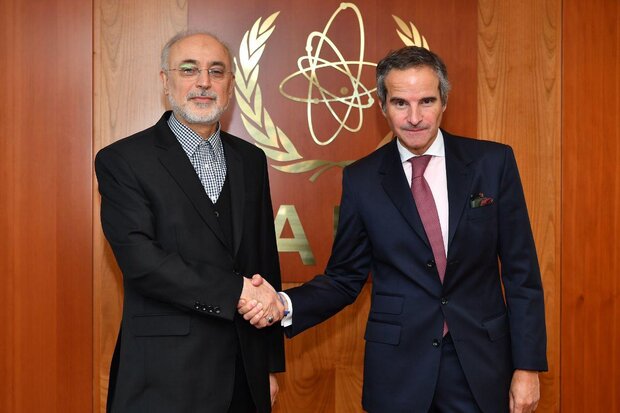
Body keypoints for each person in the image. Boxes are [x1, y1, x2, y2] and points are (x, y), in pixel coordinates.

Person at [239, 46, 547, 413]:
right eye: (401, 103)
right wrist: (284, 304)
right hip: (399, 372)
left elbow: (521, 273)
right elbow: (344, 278)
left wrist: (527, 367)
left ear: (444, 101)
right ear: (382, 106)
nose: (415, 117)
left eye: (426, 101)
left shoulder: (493, 163)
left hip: (481, 366)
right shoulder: (362, 179)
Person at [95, 31, 286, 413]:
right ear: (165, 81)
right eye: (188, 70)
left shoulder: (250, 159)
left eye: (216, 71)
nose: (203, 82)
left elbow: (263, 261)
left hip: (243, 373)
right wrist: (235, 291)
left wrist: (267, 365)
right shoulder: (123, 160)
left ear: (231, 85)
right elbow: (142, 263)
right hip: (162, 376)